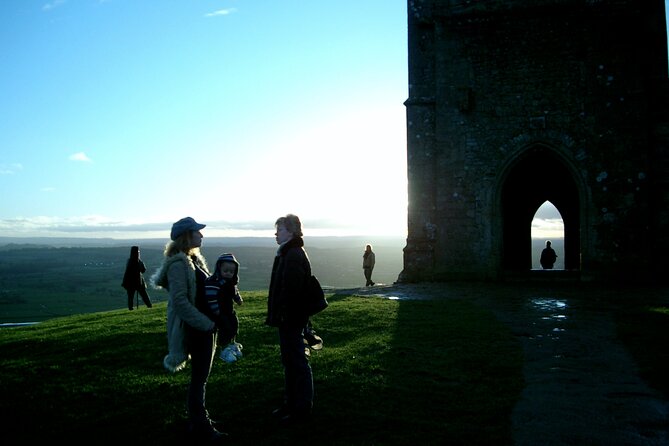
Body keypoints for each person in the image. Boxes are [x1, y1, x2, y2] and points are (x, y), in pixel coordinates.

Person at [151, 217, 226, 443]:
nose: (201, 235)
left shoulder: (193, 260)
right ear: (187, 235)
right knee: (199, 378)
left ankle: (199, 420)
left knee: (202, 377)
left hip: (205, 326)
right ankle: (201, 424)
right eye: (197, 232)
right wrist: (207, 324)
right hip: (197, 328)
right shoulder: (178, 264)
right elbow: (181, 302)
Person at [266, 214, 315, 425]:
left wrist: (285, 315)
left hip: (291, 319)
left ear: (292, 232)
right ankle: (291, 404)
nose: (276, 233)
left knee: (297, 362)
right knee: (291, 362)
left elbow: (292, 292)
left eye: (280, 230)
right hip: (289, 318)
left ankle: (301, 408)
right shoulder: (289, 252)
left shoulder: (293, 254)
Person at [205, 253, 244, 363]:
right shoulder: (214, 283)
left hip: (229, 310)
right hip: (219, 312)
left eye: (231, 272)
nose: (228, 274)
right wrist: (216, 310)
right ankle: (224, 350)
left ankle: (232, 344)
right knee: (225, 329)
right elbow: (211, 297)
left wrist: (238, 299)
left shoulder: (230, 283)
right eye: (225, 271)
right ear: (219, 269)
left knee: (234, 325)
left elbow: (235, 292)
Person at [121, 245, 153, 310]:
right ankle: (149, 305)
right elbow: (143, 270)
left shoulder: (129, 261)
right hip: (138, 281)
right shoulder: (139, 262)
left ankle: (130, 308)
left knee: (130, 296)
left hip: (129, 282)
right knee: (144, 294)